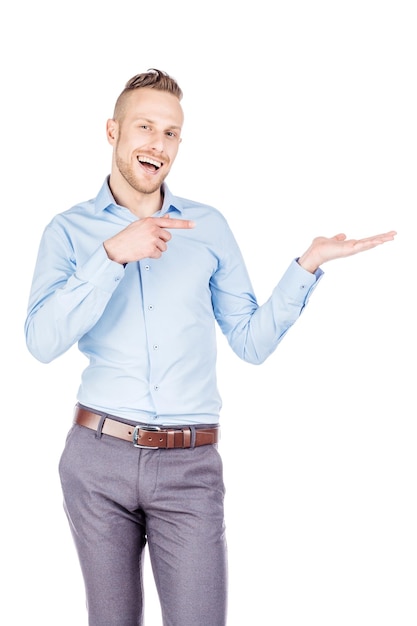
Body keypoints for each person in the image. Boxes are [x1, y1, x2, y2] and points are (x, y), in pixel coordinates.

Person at [24, 68, 396, 626]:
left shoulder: (209, 228)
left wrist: (307, 266)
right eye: (145, 126)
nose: (158, 143)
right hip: (96, 459)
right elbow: (41, 342)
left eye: (171, 133)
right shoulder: (68, 232)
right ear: (113, 132)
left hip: (189, 466)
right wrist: (111, 257)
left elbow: (250, 341)